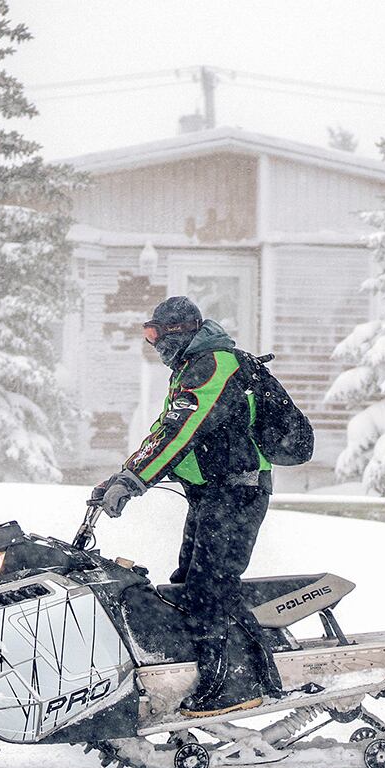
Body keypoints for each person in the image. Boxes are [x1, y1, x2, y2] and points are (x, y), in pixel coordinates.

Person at [88, 296, 284, 717]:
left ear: (178, 332)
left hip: (236, 493)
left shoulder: (214, 365)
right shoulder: (193, 369)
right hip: (212, 494)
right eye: (148, 335)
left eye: (156, 335)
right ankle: (194, 670)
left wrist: (135, 481)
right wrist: (125, 474)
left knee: (209, 586)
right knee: (184, 584)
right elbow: (164, 430)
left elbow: (181, 431)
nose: (154, 345)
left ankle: (233, 685)